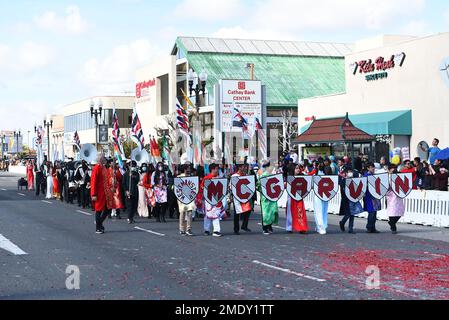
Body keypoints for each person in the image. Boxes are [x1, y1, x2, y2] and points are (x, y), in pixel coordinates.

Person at [91, 154, 113, 234]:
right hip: (99, 193)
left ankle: (99, 222)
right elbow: (93, 181)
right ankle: (98, 227)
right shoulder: (96, 168)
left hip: (106, 192)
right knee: (99, 210)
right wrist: (93, 194)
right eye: (104, 158)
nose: (105, 159)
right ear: (100, 159)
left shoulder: (103, 167)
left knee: (108, 208)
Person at [200, 163, 225, 237]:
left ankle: (216, 230)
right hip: (208, 199)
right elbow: (202, 188)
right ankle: (206, 229)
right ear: (212, 169)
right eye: (216, 168)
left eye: (218, 169)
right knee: (207, 215)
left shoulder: (219, 178)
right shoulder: (206, 178)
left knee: (216, 214)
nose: (217, 170)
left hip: (217, 198)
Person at [257, 160, 279, 235]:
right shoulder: (263, 175)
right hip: (265, 196)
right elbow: (259, 185)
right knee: (266, 212)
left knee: (272, 211)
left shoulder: (272, 175)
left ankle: (269, 226)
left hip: (272, 195)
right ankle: (265, 228)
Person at [339, 168, 363, 234]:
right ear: (346, 173)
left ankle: (350, 228)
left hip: (353, 198)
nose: (351, 173)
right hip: (346, 199)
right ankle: (342, 222)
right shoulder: (343, 181)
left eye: (351, 171)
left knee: (352, 214)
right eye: (349, 171)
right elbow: (343, 191)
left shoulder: (354, 180)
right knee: (348, 214)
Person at [286, 164, 308, 234]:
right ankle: (290, 227)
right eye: (296, 168)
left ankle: (302, 227)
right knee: (290, 213)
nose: (298, 169)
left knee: (300, 212)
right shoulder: (289, 177)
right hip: (291, 197)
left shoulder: (302, 177)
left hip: (299, 197)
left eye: (298, 168)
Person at [232, 163, 252, 235]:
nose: (245, 168)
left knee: (248, 210)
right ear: (240, 168)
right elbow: (232, 187)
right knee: (237, 213)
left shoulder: (245, 176)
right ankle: (236, 229)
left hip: (244, 197)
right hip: (237, 197)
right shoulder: (234, 176)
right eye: (244, 167)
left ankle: (244, 225)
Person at [311, 163, 331, 235]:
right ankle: (322, 226)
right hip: (325, 194)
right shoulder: (327, 175)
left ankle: (321, 227)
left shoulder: (316, 175)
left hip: (320, 194)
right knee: (323, 211)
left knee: (319, 211)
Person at [177, 163, 196, 236]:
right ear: (185, 169)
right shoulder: (179, 177)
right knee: (182, 212)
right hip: (182, 197)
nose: (189, 169)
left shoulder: (191, 177)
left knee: (190, 212)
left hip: (189, 196)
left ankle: (189, 228)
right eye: (188, 168)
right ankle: (182, 229)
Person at [386, 165, 406, 234]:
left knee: (400, 211)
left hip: (398, 195)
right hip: (390, 196)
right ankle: (393, 226)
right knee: (392, 211)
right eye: (391, 169)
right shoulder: (386, 178)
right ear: (388, 170)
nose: (393, 170)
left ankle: (391, 222)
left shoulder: (398, 176)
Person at [363, 162, 381, 233]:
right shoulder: (366, 176)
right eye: (371, 167)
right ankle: (369, 227)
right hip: (368, 196)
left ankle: (373, 227)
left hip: (375, 196)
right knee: (371, 212)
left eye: (373, 167)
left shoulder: (375, 175)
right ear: (368, 168)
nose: (373, 168)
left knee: (374, 212)